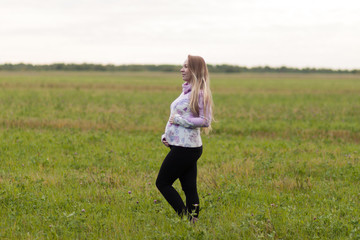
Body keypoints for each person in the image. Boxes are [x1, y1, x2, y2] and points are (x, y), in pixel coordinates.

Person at [156, 55, 214, 222]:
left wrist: (181, 121)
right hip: (180, 145)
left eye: (186, 66)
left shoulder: (200, 93)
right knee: (189, 187)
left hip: (186, 148)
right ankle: (193, 223)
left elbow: (205, 121)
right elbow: (173, 118)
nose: (182, 69)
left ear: (195, 70)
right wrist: (166, 136)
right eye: (182, 66)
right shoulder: (186, 91)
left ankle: (186, 219)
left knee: (162, 183)